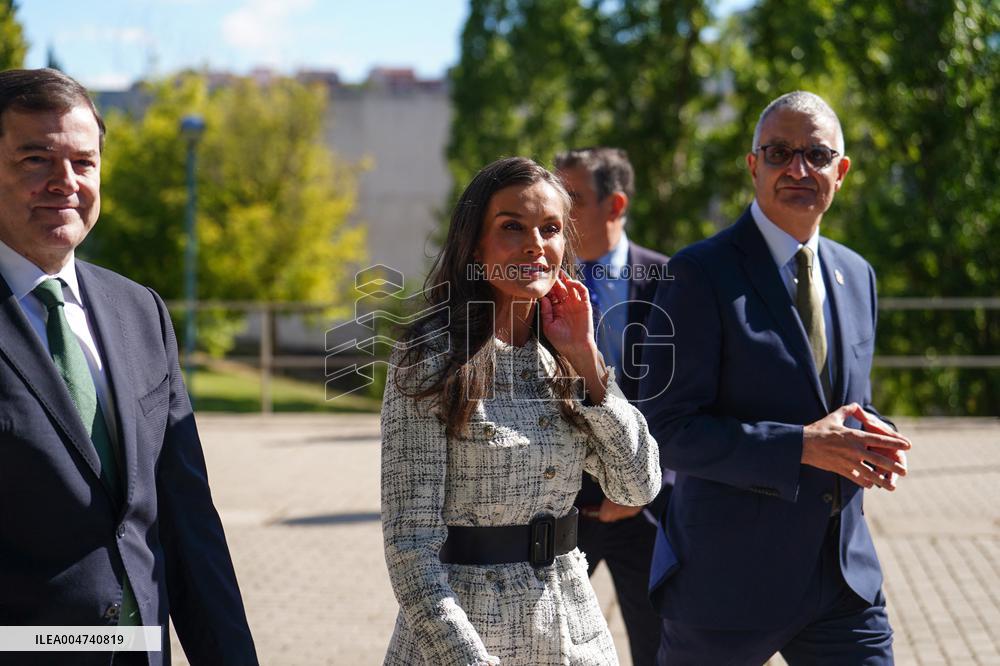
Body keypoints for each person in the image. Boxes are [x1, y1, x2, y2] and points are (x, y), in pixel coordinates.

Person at [639, 91, 911, 665]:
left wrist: (873, 435)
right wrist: (802, 447)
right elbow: (667, 429)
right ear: (752, 165)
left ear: (842, 171)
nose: (798, 168)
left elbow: (843, 401)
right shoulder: (699, 273)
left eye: (816, 154)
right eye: (780, 152)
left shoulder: (856, 273)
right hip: (727, 585)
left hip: (842, 580)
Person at [0, 68, 257, 665]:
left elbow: (188, 522)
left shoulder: (140, 311)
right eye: (34, 159)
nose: (64, 182)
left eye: (83, 163)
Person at [380, 156, 660, 665]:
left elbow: (637, 486)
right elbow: (410, 550)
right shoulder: (430, 358)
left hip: (571, 630)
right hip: (462, 636)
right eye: (513, 227)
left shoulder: (566, 357)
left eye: (551, 229)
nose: (536, 244)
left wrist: (589, 363)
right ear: (474, 242)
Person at [554, 147, 670, 666]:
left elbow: (689, 401)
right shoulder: (536, 281)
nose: (555, 211)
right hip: (557, 507)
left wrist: (647, 488)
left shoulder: (673, 280)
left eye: (571, 198)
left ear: (614, 204)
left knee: (660, 651)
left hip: (648, 512)